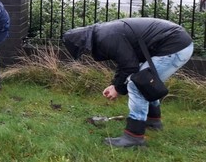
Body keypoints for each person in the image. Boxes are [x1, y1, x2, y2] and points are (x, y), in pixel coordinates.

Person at [62, 17, 194, 147]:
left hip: (175, 47)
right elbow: (125, 61)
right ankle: (153, 121)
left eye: (84, 51)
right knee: (145, 81)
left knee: (138, 85)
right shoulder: (103, 33)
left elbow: (130, 66)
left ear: (83, 43)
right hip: (177, 42)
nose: (87, 54)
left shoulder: (106, 38)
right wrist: (115, 84)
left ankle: (134, 137)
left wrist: (118, 89)